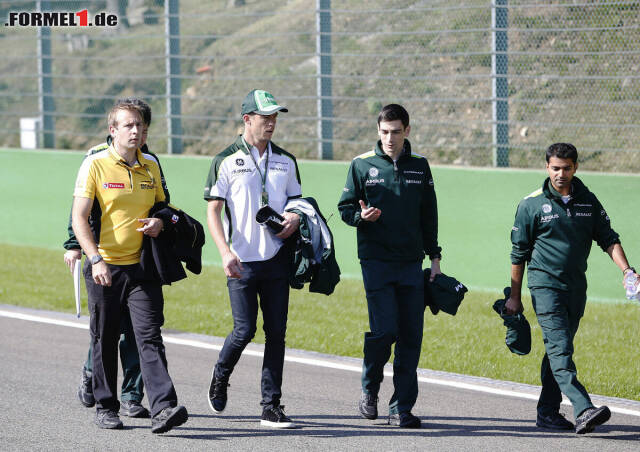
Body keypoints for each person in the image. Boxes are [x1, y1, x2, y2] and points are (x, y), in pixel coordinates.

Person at [71, 101, 187, 433]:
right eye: (129, 126)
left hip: (142, 268)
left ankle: (163, 407)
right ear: (113, 130)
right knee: (104, 337)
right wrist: (95, 259)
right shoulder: (94, 164)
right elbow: (79, 218)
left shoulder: (151, 164)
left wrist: (159, 222)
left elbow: (164, 206)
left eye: (140, 126)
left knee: (149, 336)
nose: (136, 131)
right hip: (104, 267)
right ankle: (106, 405)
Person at [506, 142, 635, 434]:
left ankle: (547, 413)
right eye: (555, 168)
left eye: (566, 168)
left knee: (558, 350)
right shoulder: (531, 204)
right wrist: (515, 297)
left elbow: (608, 238)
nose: (560, 174)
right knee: (560, 349)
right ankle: (583, 408)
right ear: (546, 167)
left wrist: (628, 271)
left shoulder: (588, 200)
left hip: (576, 287)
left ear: (575, 167)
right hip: (544, 286)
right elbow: (518, 254)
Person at [337, 104, 442, 428]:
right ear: (378, 131)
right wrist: (360, 217)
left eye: (396, 132)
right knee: (385, 332)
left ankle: (401, 408)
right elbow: (344, 208)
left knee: (411, 336)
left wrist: (434, 259)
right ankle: (370, 389)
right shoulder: (361, 165)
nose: (390, 138)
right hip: (376, 262)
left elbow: (429, 217)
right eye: (384, 132)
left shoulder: (420, 167)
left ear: (407, 131)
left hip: (411, 264)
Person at [203, 89, 301, 428]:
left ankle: (271, 405)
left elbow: (296, 204)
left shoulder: (286, 160)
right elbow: (212, 211)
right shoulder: (225, 159)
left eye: (275, 116)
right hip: (240, 261)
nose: (272, 122)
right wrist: (224, 252)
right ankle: (220, 373)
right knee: (243, 331)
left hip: (276, 258)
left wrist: (295, 218)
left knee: (277, 333)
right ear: (248, 119)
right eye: (265, 117)